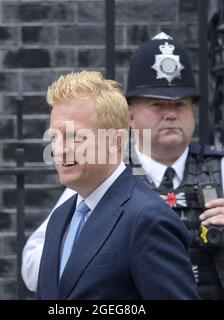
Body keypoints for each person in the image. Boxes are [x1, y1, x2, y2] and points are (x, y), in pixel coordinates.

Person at [24, 33, 224, 300]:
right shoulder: (96, 179)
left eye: (181, 105)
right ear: (131, 115)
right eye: (157, 105)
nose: (171, 115)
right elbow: (39, 264)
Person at [36, 70, 199, 299]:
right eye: (54, 137)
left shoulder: (147, 219)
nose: (60, 150)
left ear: (115, 141)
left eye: (75, 136)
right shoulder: (60, 218)